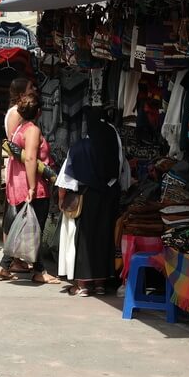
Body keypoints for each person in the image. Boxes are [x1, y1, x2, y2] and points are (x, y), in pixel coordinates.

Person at [56, 107, 130, 296]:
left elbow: (66, 180)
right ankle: (100, 284)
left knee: (85, 240)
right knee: (105, 238)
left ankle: (83, 285)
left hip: (87, 198)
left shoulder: (79, 148)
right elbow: (122, 173)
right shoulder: (114, 146)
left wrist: (61, 201)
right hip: (108, 198)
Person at [0, 93, 59, 284]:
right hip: (32, 186)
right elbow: (31, 158)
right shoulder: (32, 130)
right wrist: (32, 187)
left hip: (18, 183)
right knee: (36, 229)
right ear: (39, 112)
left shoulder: (18, 129)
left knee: (22, 227)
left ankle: (4, 265)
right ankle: (39, 271)